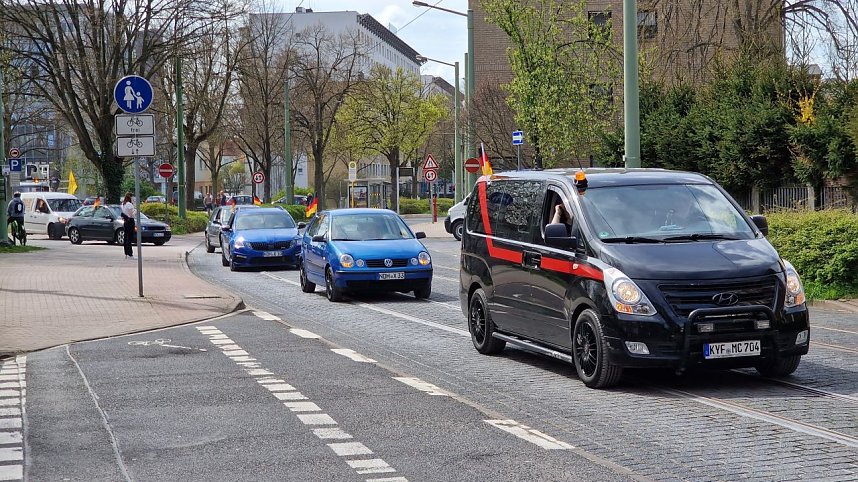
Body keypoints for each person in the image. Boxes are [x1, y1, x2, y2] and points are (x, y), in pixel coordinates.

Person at [120, 192, 137, 259]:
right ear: (130, 197)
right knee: (129, 238)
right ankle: (130, 254)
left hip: (125, 222)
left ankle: (126, 253)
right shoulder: (129, 204)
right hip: (130, 221)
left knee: (126, 237)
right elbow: (132, 214)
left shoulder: (123, 204)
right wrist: (135, 210)